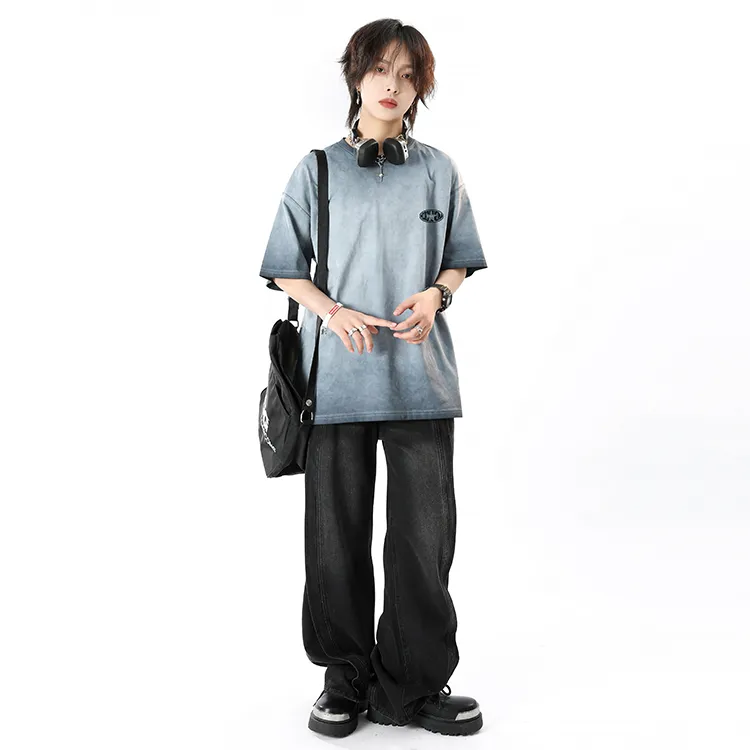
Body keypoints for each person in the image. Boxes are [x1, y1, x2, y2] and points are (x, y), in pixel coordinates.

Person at [258, 18, 488, 738]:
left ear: (420, 88)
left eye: (408, 75)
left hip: (421, 379)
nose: (393, 85)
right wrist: (332, 312)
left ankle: (412, 687)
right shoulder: (317, 170)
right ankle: (345, 681)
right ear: (356, 75)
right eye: (381, 69)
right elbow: (285, 268)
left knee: (423, 540)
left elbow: (459, 257)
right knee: (335, 538)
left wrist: (437, 295)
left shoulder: (439, 170)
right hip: (336, 383)